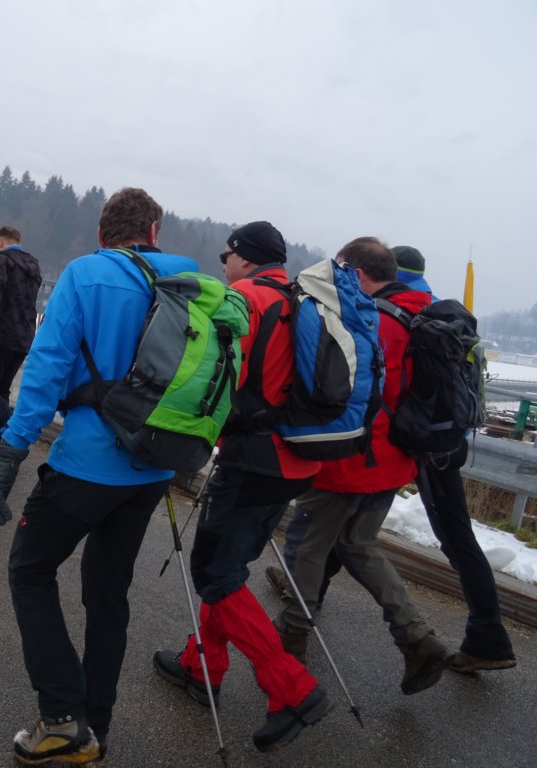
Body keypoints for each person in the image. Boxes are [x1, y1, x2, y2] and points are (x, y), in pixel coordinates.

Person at [0, 188, 208, 764]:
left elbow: (46, 368)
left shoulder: (86, 276)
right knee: (108, 592)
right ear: (154, 232)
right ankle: (96, 724)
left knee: (30, 570)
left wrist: (11, 452)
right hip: (151, 467)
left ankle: (63, 718)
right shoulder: (191, 286)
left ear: (102, 235)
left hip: (87, 464)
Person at [151, 221, 331, 753]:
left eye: (226, 254)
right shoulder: (301, 301)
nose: (223, 263)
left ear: (246, 258)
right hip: (294, 460)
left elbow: (212, 376)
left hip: (253, 460)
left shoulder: (245, 299)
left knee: (215, 572)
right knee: (224, 568)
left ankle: (292, 689)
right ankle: (200, 665)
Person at [271, 237, 450, 696]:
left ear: (359, 273)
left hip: (353, 457)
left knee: (308, 546)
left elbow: (345, 389)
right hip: (395, 460)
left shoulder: (374, 318)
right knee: (358, 543)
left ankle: (290, 644)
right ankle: (418, 638)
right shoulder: (421, 313)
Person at [391, 244, 516, 673]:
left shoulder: (406, 313)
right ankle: (304, 590)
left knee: (456, 539)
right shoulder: (440, 310)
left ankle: (489, 639)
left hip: (420, 444)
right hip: (446, 441)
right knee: (356, 520)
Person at [0, 226, 42, 456]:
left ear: (1, 241)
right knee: (1, 389)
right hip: (24, 336)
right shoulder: (33, 264)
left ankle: (12, 425)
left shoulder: (1, 260)